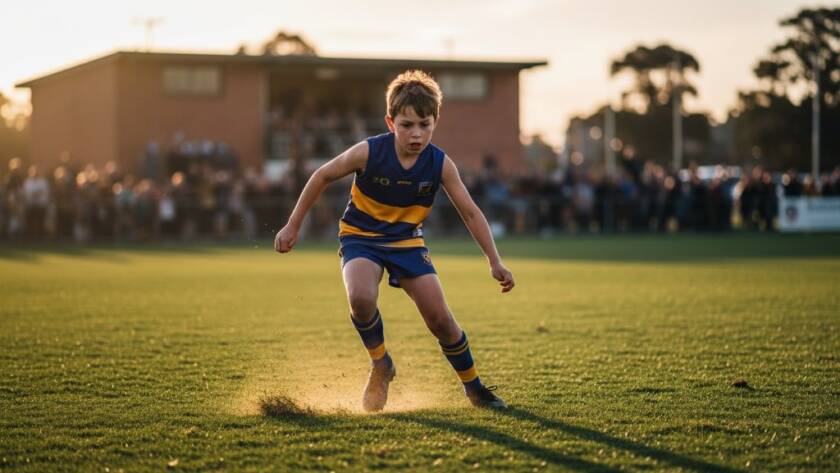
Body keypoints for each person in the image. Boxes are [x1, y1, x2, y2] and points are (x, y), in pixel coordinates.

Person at [274, 70, 515, 411]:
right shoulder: (368, 152)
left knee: (441, 320)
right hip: (361, 237)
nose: (416, 134)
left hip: (406, 242)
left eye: (424, 125)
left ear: (435, 122)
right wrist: (292, 224)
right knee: (360, 296)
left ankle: (474, 388)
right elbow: (322, 175)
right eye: (406, 125)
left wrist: (495, 261)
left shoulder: (440, 164)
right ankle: (381, 363)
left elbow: (472, 213)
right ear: (390, 122)